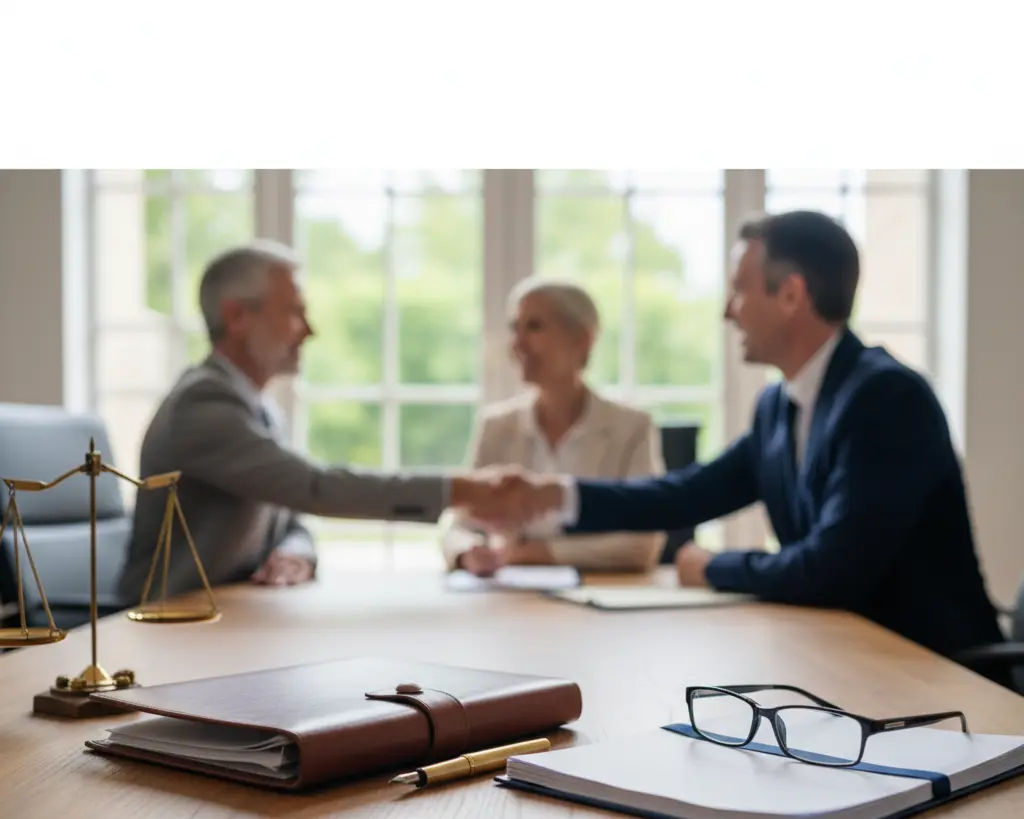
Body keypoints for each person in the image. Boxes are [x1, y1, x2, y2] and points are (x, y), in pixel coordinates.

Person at [497, 210, 1004, 662]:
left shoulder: (887, 398)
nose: (727, 310)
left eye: (739, 289)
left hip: (934, 673)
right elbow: (688, 494)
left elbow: (831, 571)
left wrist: (716, 566)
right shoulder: (777, 407)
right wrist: (553, 496)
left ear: (791, 295)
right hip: (841, 654)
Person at [117, 240, 543, 603]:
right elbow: (314, 488)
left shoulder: (259, 407)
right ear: (237, 317)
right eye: (295, 312)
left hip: (233, 617)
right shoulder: (203, 404)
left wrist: (297, 554)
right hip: (167, 626)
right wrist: (463, 491)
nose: (309, 330)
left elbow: (292, 520)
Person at [439, 276, 665, 575]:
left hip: (601, 600)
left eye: (534, 327)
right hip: (511, 603)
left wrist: (541, 553)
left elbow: (642, 543)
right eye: (513, 328)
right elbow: (457, 524)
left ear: (582, 339)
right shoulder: (496, 426)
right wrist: (468, 553)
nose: (517, 344)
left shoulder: (632, 428)